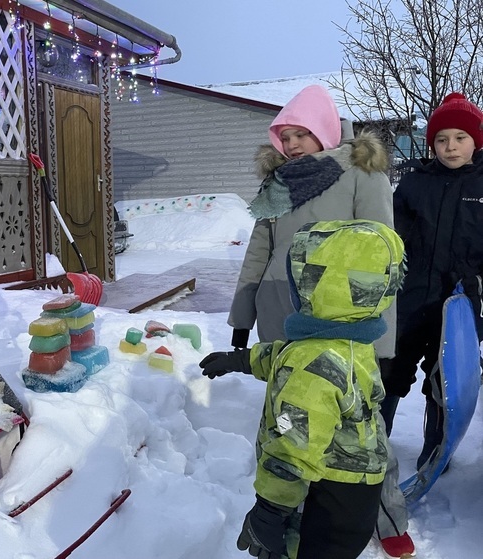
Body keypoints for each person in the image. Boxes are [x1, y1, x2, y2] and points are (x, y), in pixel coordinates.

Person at [224, 84, 415, 558]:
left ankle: (388, 519)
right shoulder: (279, 183)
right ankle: (285, 511)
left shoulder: (360, 173)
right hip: (279, 309)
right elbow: (258, 252)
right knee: (289, 418)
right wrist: (241, 319)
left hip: (341, 314)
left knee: (361, 429)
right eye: (283, 136)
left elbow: (379, 263)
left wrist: (384, 345)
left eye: (299, 134)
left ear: (325, 130)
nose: (289, 145)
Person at [201, 219, 405, 559]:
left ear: (318, 285)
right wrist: (242, 360)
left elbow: (293, 447)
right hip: (354, 497)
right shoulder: (350, 341)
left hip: (325, 499)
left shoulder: (314, 362)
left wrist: (269, 509)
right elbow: (288, 357)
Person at [381, 92, 483, 470]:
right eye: (441, 139)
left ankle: (436, 450)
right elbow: (390, 238)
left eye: (460, 138)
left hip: (459, 305)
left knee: (444, 382)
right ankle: (373, 441)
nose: (450, 147)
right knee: (389, 369)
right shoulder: (412, 185)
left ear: (476, 141)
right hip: (409, 298)